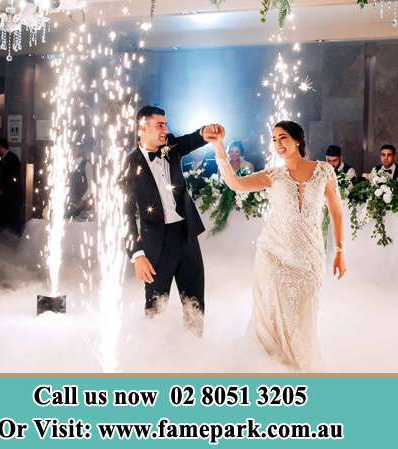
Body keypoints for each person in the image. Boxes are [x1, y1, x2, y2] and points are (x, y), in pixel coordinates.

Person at [210, 120, 346, 371]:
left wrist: (340, 250)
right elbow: (236, 184)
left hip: (309, 257)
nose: (278, 144)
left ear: (297, 140)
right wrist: (218, 147)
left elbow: (336, 212)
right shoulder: (273, 175)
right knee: (272, 314)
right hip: (273, 254)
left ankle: (301, 368)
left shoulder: (324, 171)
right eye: (273, 139)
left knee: (303, 317)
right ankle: (274, 369)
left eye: (282, 137)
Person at [120, 105, 223, 336]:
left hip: (186, 235)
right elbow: (124, 213)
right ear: (142, 128)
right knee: (155, 308)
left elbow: (190, 140)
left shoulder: (170, 146)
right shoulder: (129, 163)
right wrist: (137, 255)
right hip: (156, 243)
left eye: (166, 124)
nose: (165, 129)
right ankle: (153, 360)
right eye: (160, 125)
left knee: (195, 303)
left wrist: (204, 132)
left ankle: (193, 352)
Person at [0, 138, 23, 235]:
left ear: (0, 147)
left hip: (11, 195)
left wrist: (3, 189)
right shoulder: (5, 158)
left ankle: (11, 239)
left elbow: (13, 178)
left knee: (11, 218)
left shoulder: (11, 158)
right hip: (8, 194)